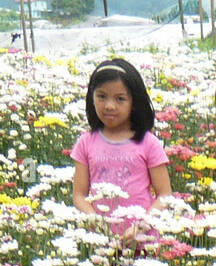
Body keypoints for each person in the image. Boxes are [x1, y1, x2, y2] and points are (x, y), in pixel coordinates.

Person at [72, 59, 172, 224]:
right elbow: (79, 195)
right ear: (92, 97)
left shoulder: (148, 143)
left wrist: (143, 225)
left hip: (142, 238)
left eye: (120, 99)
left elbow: (164, 194)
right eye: (102, 96)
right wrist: (94, 219)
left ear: (134, 102)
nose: (109, 106)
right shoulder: (85, 143)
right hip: (100, 239)